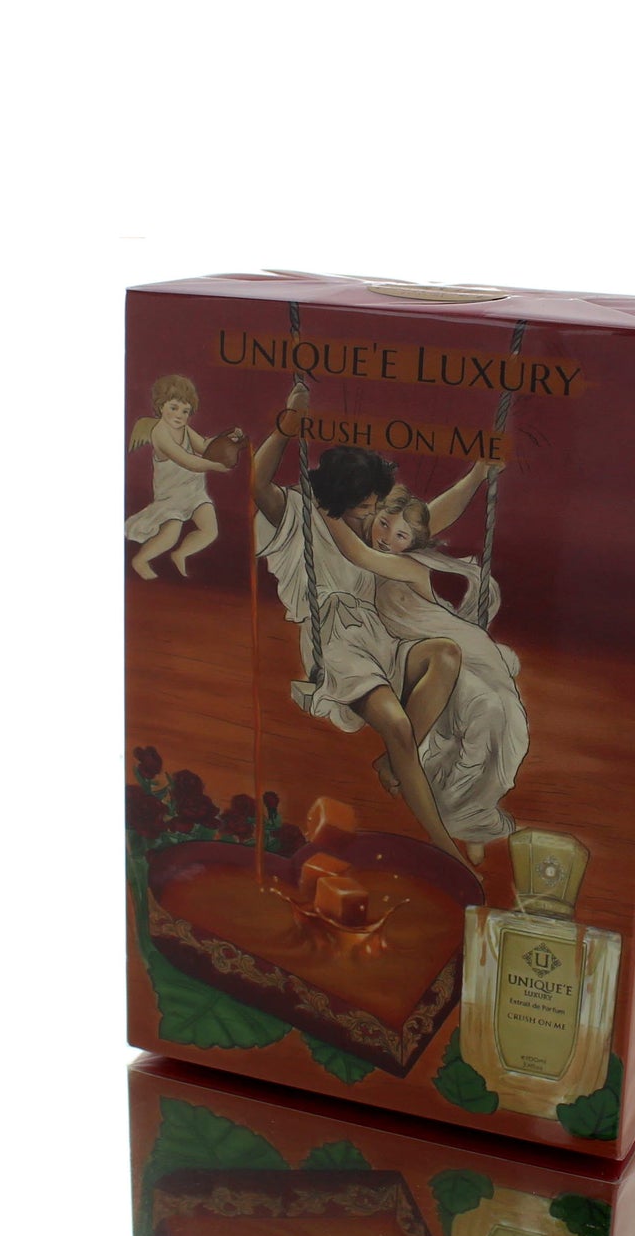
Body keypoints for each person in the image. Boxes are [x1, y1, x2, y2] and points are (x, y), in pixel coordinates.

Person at [252, 383, 479, 877]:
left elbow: (430, 516)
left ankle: (391, 763)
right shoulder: (300, 515)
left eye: (375, 506)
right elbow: (257, 481)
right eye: (363, 507)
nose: (372, 516)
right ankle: (446, 849)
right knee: (397, 727)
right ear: (338, 500)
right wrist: (285, 427)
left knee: (445, 655)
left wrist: (478, 473)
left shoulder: (374, 523)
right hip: (336, 643)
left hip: (378, 635)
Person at [321, 476, 528, 861]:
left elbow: (360, 555)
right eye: (384, 524)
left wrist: (325, 508)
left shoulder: (406, 565)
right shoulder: (385, 546)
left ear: (413, 542)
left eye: (400, 535)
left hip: (458, 647)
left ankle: (469, 816)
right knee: (482, 711)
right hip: (423, 652)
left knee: (492, 712)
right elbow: (436, 512)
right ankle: (461, 813)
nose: (387, 538)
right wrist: (477, 475)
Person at [125, 374, 237, 579]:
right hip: (171, 496)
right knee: (170, 534)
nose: (179, 415)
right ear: (161, 406)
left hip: (193, 492)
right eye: (174, 408)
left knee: (210, 530)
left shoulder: (185, 429)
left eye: (185, 411)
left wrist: (225, 441)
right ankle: (140, 560)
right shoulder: (160, 433)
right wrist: (215, 466)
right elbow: (187, 461)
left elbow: (204, 447)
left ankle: (181, 553)